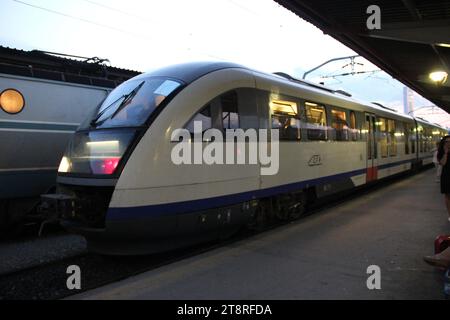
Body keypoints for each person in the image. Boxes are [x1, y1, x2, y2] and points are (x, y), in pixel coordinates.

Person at [437, 135, 450, 222]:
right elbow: (442, 163)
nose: (449, 143)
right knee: (448, 195)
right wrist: (446, 153)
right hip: (447, 175)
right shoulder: (441, 152)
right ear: (443, 143)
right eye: (447, 141)